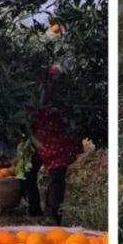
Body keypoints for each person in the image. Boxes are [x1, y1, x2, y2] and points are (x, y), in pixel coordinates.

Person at [24, 62, 83, 225]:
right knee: (32, 172)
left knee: (54, 176)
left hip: (56, 135)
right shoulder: (32, 85)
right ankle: (36, 208)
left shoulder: (61, 85)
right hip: (38, 134)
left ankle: (51, 216)